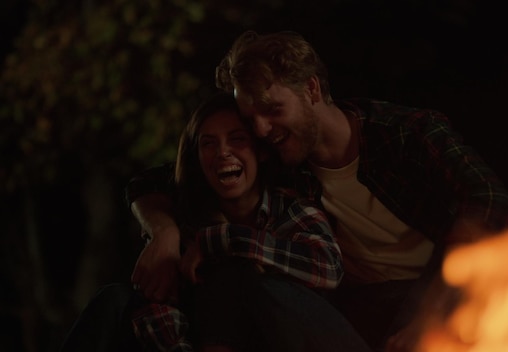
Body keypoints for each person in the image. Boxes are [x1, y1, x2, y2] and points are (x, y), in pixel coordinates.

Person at [126, 30, 508, 352]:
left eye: (271, 109)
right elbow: (160, 180)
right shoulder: (279, 158)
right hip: (354, 310)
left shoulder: (406, 135)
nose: (261, 129)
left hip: (440, 292)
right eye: (251, 118)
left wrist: (432, 311)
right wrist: (163, 232)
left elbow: (489, 199)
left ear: (311, 89)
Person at [59, 93, 372, 352]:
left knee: (243, 276)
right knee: (114, 300)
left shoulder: (290, 210)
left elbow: (328, 267)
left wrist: (225, 240)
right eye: (208, 143)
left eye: (237, 139)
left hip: (294, 340)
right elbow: (157, 305)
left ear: (260, 152)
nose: (223, 152)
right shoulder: (187, 220)